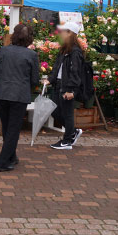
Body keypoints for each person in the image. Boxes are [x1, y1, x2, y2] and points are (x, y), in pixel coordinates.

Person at [0, 24, 39, 172]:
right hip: (19, 94)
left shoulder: (4, 50)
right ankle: (3, 162)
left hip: (2, 92)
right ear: (29, 38)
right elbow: (34, 80)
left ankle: (11, 156)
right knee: (13, 129)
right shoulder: (32, 55)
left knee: (7, 127)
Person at [44, 21, 84, 150]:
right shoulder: (64, 50)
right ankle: (72, 132)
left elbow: (76, 72)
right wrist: (50, 79)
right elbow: (57, 67)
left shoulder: (76, 52)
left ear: (70, 33)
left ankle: (67, 141)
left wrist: (72, 90)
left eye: (64, 32)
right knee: (55, 111)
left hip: (68, 86)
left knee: (67, 113)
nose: (61, 34)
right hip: (59, 84)